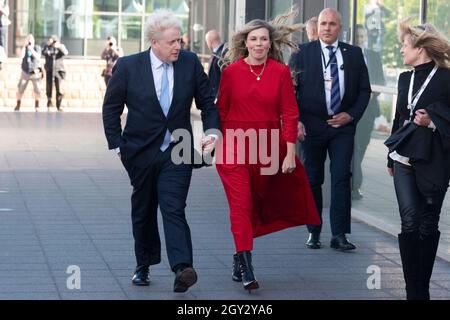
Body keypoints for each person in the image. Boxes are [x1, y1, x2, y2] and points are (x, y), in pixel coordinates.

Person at [102, 10, 220, 293]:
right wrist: (119, 145)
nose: (178, 46)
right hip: (139, 153)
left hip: (177, 151)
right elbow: (111, 108)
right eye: (172, 42)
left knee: (173, 207)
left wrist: (212, 132)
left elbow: (208, 102)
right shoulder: (129, 66)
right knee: (143, 210)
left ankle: (182, 268)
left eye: (179, 40)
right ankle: (143, 264)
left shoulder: (190, 63)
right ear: (154, 42)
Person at [215, 12, 320, 292]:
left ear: (270, 43)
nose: (259, 44)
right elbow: (221, 110)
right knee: (242, 205)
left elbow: (289, 111)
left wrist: (288, 152)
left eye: (263, 39)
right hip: (234, 147)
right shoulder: (232, 72)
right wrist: (216, 141)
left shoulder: (280, 72)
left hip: (268, 151)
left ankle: (239, 253)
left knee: (257, 204)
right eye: (253, 39)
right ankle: (248, 268)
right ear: (245, 43)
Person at [289, 8, 371, 251]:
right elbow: (289, 90)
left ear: (340, 27)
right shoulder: (302, 53)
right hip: (311, 126)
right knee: (313, 179)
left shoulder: (355, 54)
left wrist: (351, 115)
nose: (326, 28)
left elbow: (365, 90)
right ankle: (314, 231)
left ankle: (340, 234)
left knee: (341, 179)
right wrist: (296, 120)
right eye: (323, 23)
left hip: (342, 127)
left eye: (332, 24)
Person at [385, 20, 450, 300]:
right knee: (410, 221)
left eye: (404, 44)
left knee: (428, 223)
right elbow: (399, 118)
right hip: (403, 158)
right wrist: (390, 156)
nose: (401, 49)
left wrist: (432, 122)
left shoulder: (447, 78)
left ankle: (421, 287)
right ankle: (415, 292)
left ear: (420, 47)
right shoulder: (404, 78)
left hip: (435, 160)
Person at [352, 25, 386, 200]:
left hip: (369, 108)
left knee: (363, 143)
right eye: (357, 35)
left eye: (363, 35)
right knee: (355, 145)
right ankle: (355, 184)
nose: (360, 38)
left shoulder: (373, 56)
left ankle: (354, 177)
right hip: (353, 108)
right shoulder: (348, 55)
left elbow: (381, 80)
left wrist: (372, 93)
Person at [14, 34, 43, 112]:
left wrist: (31, 49)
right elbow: (21, 56)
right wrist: (24, 47)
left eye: (30, 41)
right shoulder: (24, 48)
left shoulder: (37, 47)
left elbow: (38, 57)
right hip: (25, 72)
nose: (29, 42)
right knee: (20, 88)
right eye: (28, 40)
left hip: (34, 72)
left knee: (37, 89)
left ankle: (37, 105)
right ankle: (18, 104)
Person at [42, 35, 69, 111]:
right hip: (49, 70)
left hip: (59, 70)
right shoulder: (47, 47)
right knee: (48, 87)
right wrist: (49, 45)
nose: (52, 42)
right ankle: (49, 102)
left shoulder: (61, 46)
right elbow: (43, 52)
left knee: (59, 88)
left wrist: (58, 46)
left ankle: (59, 105)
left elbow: (66, 52)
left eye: (53, 41)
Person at [205, 29, 226, 98]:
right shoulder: (224, 51)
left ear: (210, 41)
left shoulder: (221, 55)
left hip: (219, 96)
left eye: (207, 42)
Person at [0, 0, 10, 70]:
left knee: (2, 43)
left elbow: (7, 13)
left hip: (2, 25)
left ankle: (2, 59)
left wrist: (0, 8)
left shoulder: (5, 4)